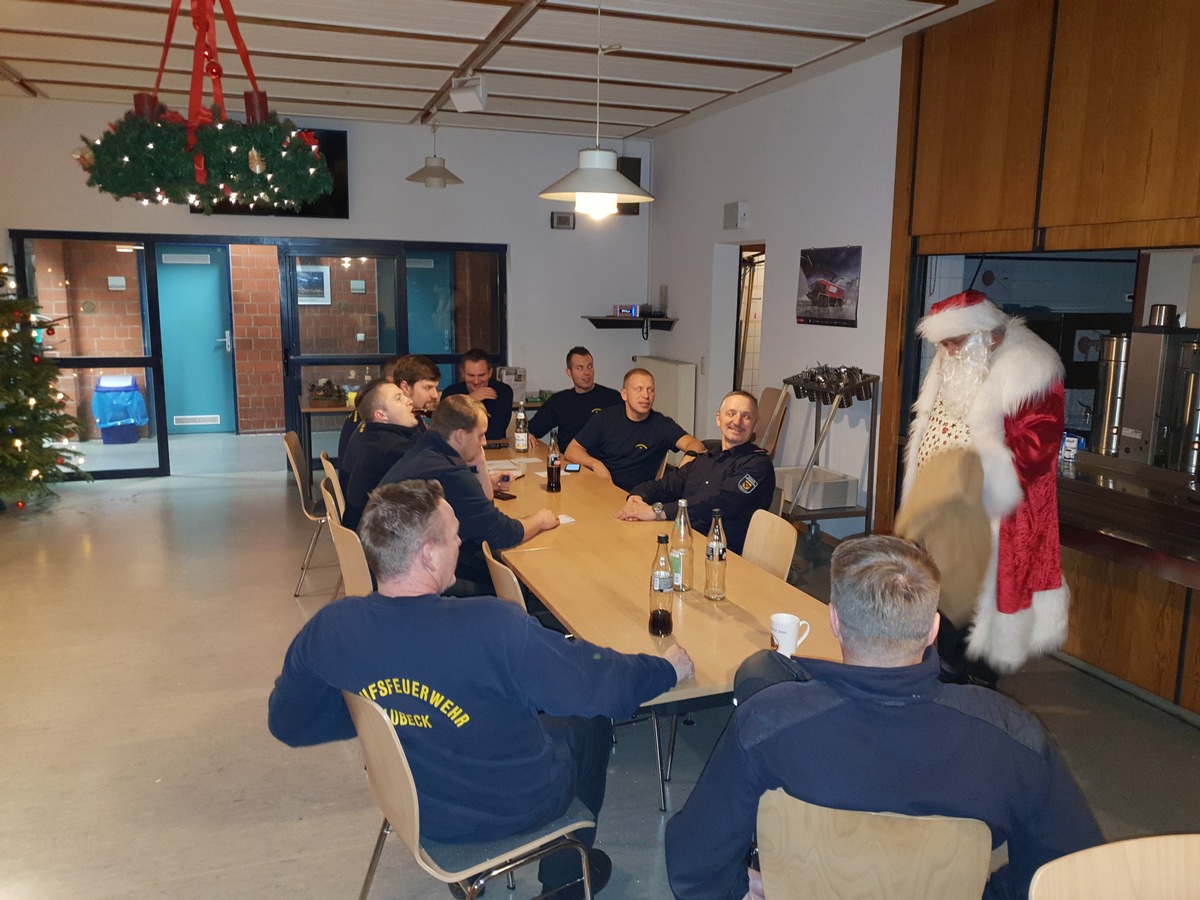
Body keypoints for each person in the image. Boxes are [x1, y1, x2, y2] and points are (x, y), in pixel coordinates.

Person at [268, 480, 695, 899]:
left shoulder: (332, 626)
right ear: (428, 555)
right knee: (590, 721)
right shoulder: (492, 626)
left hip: (415, 808)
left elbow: (289, 723)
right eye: (454, 536)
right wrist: (663, 670)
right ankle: (564, 882)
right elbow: (598, 685)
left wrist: (390, 709)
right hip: (509, 808)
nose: (461, 542)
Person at [664, 535, 1102, 900]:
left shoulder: (766, 724)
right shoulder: (1014, 735)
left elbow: (692, 867)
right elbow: (1073, 873)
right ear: (932, 630)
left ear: (834, 621)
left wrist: (748, 884)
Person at [899, 290, 1068, 681]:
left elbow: (1035, 451)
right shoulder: (953, 358)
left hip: (989, 515)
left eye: (954, 341)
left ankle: (974, 696)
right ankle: (940, 683)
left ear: (983, 332)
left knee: (977, 616)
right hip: (942, 513)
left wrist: (968, 478)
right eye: (943, 343)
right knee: (938, 603)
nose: (948, 351)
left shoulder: (1031, 367)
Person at [379, 395, 558, 591]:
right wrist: (540, 519)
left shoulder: (426, 451)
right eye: (480, 435)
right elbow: (501, 533)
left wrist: (479, 462)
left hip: (393, 561)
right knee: (512, 584)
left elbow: (482, 505)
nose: (485, 442)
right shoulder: (450, 473)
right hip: (412, 580)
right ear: (460, 436)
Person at [614, 390, 775, 554]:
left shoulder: (758, 465)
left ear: (755, 425)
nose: (737, 421)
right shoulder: (707, 457)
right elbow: (666, 486)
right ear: (718, 419)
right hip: (687, 542)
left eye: (746, 416)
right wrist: (637, 498)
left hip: (725, 554)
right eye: (731, 414)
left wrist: (655, 512)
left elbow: (717, 502)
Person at [565, 368, 707, 492]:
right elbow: (572, 450)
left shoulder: (661, 425)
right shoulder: (605, 418)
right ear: (624, 394)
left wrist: (690, 455)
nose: (646, 396)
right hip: (602, 489)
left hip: (636, 498)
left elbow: (696, 444)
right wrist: (595, 464)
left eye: (650, 390)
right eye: (638, 389)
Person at [337, 354, 441, 480]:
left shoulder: (394, 424)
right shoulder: (389, 443)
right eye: (428, 387)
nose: (435, 395)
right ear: (405, 387)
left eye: (435, 388)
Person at [340, 383, 421, 531]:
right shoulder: (392, 448)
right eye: (398, 399)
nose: (409, 400)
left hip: (365, 532)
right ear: (381, 415)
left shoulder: (374, 436)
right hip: (376, 539)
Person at [529, 346, 623, 450]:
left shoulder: (612, 398)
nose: (587, 372)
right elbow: (532, 429)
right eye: (580, 368)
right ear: (569, 373)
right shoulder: (559, 401)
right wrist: (528, 434)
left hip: (602, 460)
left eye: (590, 366)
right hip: (568, 460)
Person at [440, 348, 513, 441]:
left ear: (490, 373)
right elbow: (445, 429)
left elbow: (496, 432)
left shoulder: (503, 391)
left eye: (481, 375)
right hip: (458, 449)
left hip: (493, 447)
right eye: (471, 375)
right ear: (462, 373)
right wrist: (469, 401)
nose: (476, 381)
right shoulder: (451, 393)